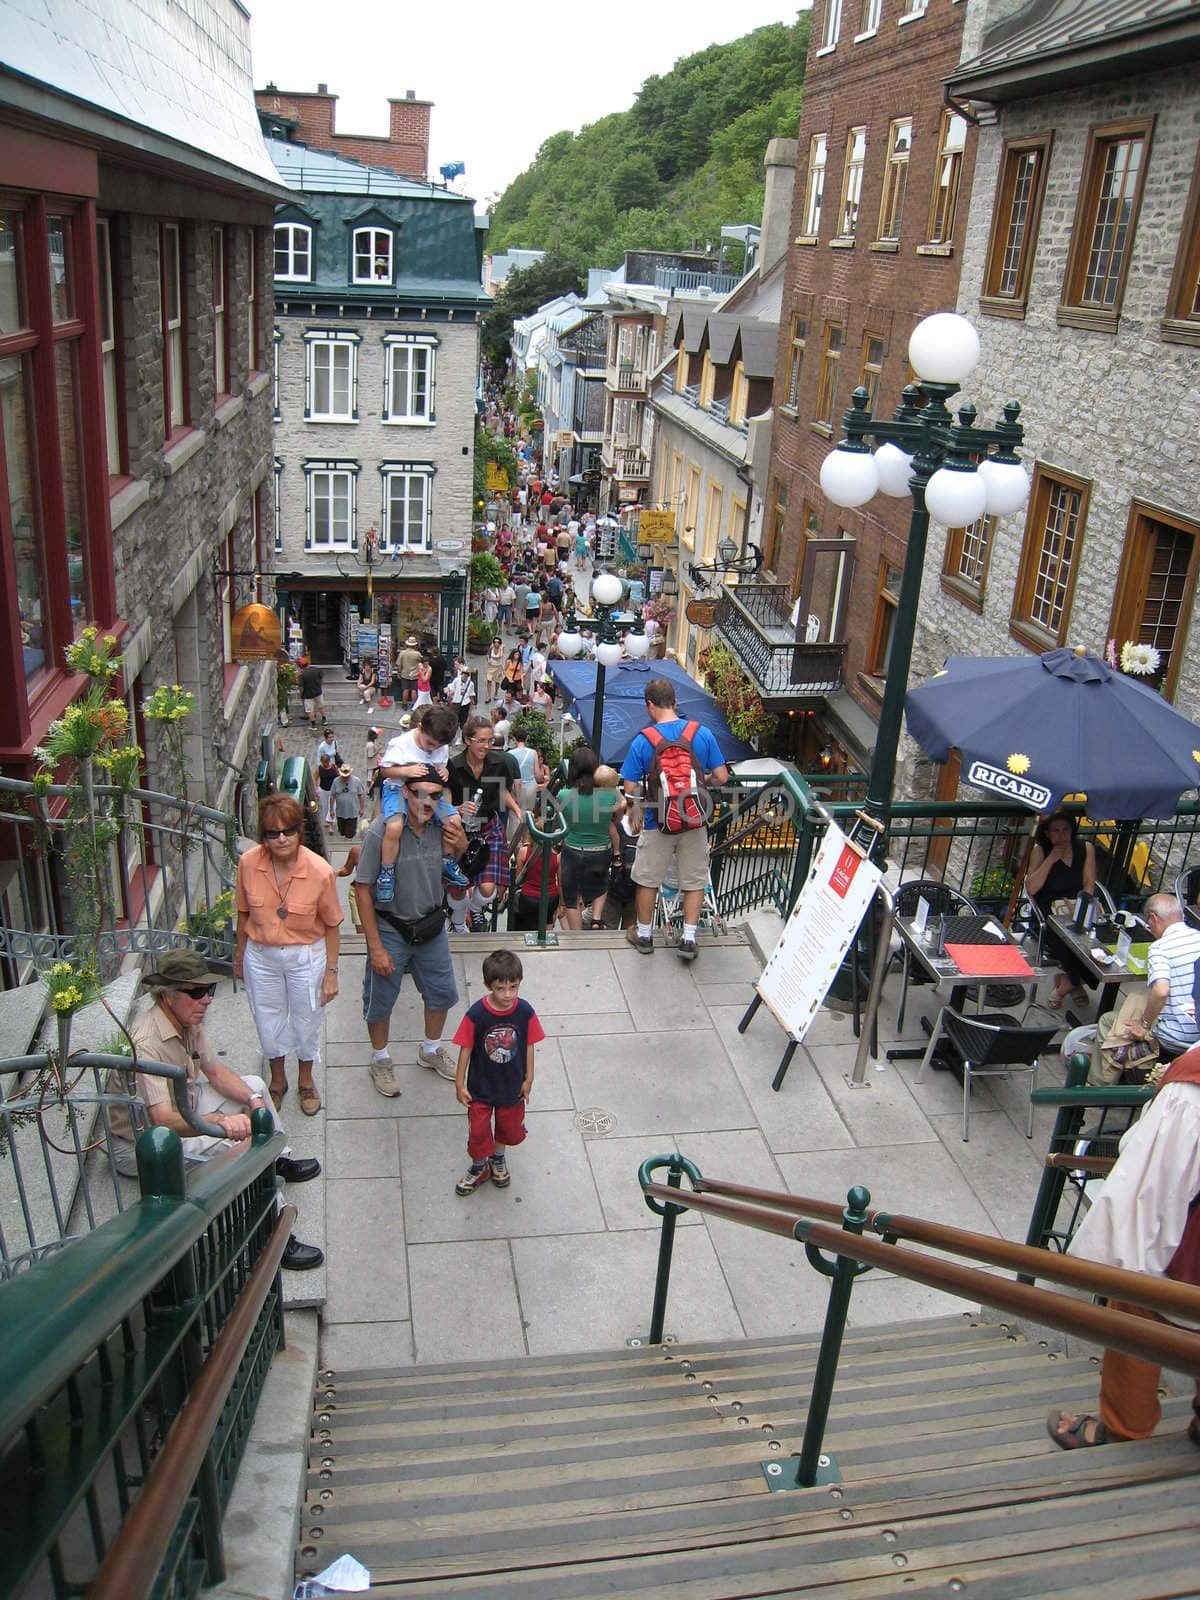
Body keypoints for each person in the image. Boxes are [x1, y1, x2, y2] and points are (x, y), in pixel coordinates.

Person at [119, 950, 322, 1271]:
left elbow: (214, 1071)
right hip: (147, 1144)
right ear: (169, 996)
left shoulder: (186, 1019)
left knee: (254, 1085)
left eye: (209, 991)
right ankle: (276, 1234)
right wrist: (218, 1122)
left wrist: (255, 1103)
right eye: (197, 992)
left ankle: (276, 1156)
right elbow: (161, 1122)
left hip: (186, 1104)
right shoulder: (147, 1042)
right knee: (237, 1147)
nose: (207, 1000)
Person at [1046, 1044, 1200, 1451]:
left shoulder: (1192, 1086)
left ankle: (1122, 1428)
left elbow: (1151, 1194)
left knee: (1136, 1301)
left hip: (1190, 1263)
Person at [354, 766, 468, 1093]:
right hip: (391, 928)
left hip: (432, 924)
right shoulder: (382, 832)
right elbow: (363, 888)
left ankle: (430, 1050)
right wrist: (374, 946)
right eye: (420, 793)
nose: (427, 802)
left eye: (435, 795)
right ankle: (380, 1059)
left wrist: (459, 845)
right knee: (380, 1001)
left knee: (443, 993)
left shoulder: (442, 829)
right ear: (405, 792)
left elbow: (458, 869)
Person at [234, 793, 342, 1117]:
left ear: (299, 832)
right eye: (272, 833)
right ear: (263, 837)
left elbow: (333, 924)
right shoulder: (249, 864)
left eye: (288, 831)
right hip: (261, 954)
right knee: (267, 1018)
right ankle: (277, 1081)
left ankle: (306, 1080)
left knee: (306, 1018)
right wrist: (240, 956)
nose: (281, 839)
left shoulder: (320, 871)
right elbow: (242, 914)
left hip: (305, 955)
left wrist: (331, 973)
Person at [620, 678, 729, 962]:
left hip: (659, 821)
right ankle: (689, 939)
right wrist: (699, 781)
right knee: (694, 880)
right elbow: (722, 776)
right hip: (695, 820)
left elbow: (630, 789)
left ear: (649, 706)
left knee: (648, 879)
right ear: (675, 703)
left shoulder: (644, 740)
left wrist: (647, 800)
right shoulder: (701, 733)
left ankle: (644, 935)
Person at [450, 949, 543, 1195]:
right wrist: (460, 1084)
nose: (508, 995)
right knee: (479, 1130)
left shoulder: (525, 1011)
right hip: (480, 1087)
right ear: (487, 985)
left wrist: (529, 1079)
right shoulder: (476, 1014)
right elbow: (465, 1049)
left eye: (513, 987)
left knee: (507, 1126)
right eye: (501, 988)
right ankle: (480, 1165)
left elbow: (530, 1045)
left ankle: (498, 1158)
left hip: (511, 1085)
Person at [374, 704, 469, 902]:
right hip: (398, 788)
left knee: (454, 821)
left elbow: (441, 769)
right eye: (429, 743)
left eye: (437, 746)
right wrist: (405, 771)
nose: (432, 749)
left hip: (428, 793)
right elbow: (385, 772)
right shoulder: (401, 744)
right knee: (394, 827)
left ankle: (447, 860)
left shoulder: (440, 747)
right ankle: (387, 871)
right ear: (419, 728)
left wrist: (444, 772)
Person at [447, 714, 523, 933]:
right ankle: (459, 921)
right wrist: (458, 809)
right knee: (458, 886)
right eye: (481, 741)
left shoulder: (498, 763)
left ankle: (477, 909)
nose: (487, 746)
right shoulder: (454, 766)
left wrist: (517, 809)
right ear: (468, 740)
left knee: (489, 889)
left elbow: (501, 789)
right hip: (459, 832)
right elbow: (445, 800)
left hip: (489, 828)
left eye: (490, 741)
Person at [1026, 812, 1097, 1007]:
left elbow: (1089, 882)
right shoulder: (1040, 851)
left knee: (1096, 945)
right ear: (1047, 834)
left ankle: (1068, 981)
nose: (1062, 836)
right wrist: (1050, 861)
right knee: (1067, 943)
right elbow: (1031, 888)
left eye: (1066, 830)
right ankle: (1071, 982)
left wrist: (1082, 910)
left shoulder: (1085, 848)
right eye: (1056, 831)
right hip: (1048, 913)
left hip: (1077, 908)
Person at [557, 746, 625, 932]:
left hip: (572, 849)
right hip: (601, 850)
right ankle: (596, 919)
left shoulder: (564, 795)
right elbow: (619, 814)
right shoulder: (608, 796)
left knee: (572, 897)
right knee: (601, 885)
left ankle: (577, 935)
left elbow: (561, 821)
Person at [329, 763, 366, 840]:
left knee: (350, 834)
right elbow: (332, 796)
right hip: (340, 813)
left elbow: (361, 795)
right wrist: (331, 810)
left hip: (352, 813)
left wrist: (362, 808)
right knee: (342, 832)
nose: (345, 778)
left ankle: (349, 844)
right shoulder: (336, 781)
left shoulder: (356, 781)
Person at [448, 661, 477, 730]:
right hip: (456, 702)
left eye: (466, 675)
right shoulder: (456, 681)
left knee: (463, 719)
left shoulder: (471, 684)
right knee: (455, 718)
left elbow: (471, 694)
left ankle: (462, 728)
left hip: (465, 703)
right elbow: (452, 689)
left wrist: (472, 705)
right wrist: (449, 695)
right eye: (463, 674)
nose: (464, 676)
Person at [396, 634, 423, 704]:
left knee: (405, 689)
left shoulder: (402, 653)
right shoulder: (418, 654)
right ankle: (414, 704)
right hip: (415, 674)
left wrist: (399, 672)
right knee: (414, 690)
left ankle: (404, 703)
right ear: (415, 645)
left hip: (405, 674)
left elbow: (399, 665)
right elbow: (421, 663)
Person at [316, 750, 338, 831]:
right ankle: (327, 821)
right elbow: (315, 779)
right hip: (323, 790)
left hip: (332, 790)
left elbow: (339, 776)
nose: (324, 764)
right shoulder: (319, 769)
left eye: (326, 762)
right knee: (325, 806)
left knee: (332, 807)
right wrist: (316, 790)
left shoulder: (333, 767)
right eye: (323, 762)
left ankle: (330, 825)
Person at [299, 661, 324, 728]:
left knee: (310, 710)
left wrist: (301, 695)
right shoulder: (316, 669)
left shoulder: (302, 674)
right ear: (308, 663)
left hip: (307, 695)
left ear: (301, 667)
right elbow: (321, 678)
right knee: (320, 706)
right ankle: (324, 719)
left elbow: (301, 687)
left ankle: (313, 724)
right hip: (318, 692)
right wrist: (319, 686)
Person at [485, 635, 505, 703]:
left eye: (498, 642)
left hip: (498, 666)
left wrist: (501, 648)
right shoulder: (491, 647)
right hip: (491, 666)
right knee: (489, 680)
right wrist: (489, 660)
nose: (496, 644)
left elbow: (500, 655)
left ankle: (496, 694)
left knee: (497, 681)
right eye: (495, 642)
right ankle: (488, 696)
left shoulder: (501, 648)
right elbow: (488, 654)